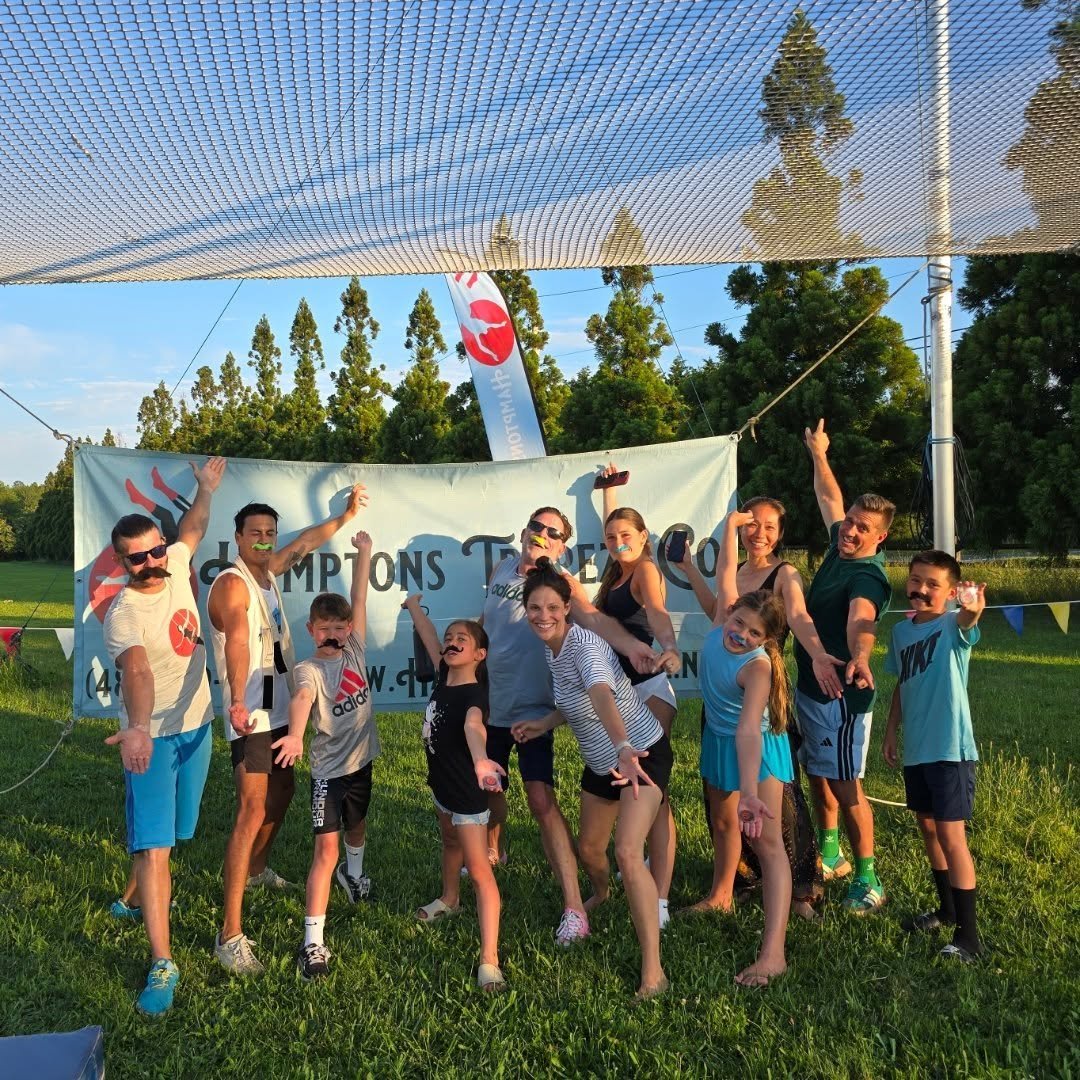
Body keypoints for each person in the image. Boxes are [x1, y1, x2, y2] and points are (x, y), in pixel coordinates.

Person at [479, 504, 660, 947]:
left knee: (541, 802)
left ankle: (574, 908)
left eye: (552, 533)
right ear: (524, 530)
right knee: (486, 790)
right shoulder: (503, 566)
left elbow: (596, 623)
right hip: (491, 707)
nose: (541, 534)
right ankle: (492, 850)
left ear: (561, 546)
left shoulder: (560, 588)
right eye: (536, 527)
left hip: (534, 710)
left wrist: (634, 645)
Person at [208, 484, 367, 974]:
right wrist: (236, 699)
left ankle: (256, 870)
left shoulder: (268, 571)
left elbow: (303, 545)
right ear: (236, 538)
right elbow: (237, 639)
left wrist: (345, 517)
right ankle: (229, 934)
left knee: (283, 793)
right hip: (252, 715)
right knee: (251, 808)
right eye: (254, 533)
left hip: (280, 715)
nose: (263, 540)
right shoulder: (234, 584)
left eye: (269, 534)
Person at [512, 558, 672, 1000]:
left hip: (639, 754)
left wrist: (623, 747)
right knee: (589, 850)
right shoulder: (553, 647)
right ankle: (601, 895)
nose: (543, 616)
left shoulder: (584, 647)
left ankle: (653, 973)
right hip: (602, 762)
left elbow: (601, 696)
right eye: (534, 608)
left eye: (551, 607)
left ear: (567, 608)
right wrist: (544, 725)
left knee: (625, 851)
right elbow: (575, 702)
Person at [102, 456, 226, 1015]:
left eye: (157, 549)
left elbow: (194, 529)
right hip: (150, 741)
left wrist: (204, 489)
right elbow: (139, 672)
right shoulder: (123, 612)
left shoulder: (175, 559)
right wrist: (136, 730)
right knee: (157, 850)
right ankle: (162, 960)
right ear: (122, 562)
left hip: (197, 723)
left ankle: (129, 900)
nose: (153, 562)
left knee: (178, 831)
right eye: (139, 557)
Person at [676, 502, 842, 918]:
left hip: (759, 693)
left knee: (781, 806)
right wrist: (694, 568)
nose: (759, 533)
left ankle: (800, 890)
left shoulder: (783, 573)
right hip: (722, 700)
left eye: (768, 526)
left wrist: (819, 654)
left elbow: (799, 617)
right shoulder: (734, 586)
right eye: (751, 524)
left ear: (780, 531)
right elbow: (718, 607)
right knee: (724, 806)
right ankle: (729, 889)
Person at [270, 531, 380, 980]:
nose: (333, 636)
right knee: (325, 851)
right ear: (311, 631)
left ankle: (354, 876)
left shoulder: (355, 647)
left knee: (358, 826)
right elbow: (299, 700)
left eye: (339, 628)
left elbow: (358, 596)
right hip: (329, 776)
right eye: (324, 630)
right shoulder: (308, 668)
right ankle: (313, 942)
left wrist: (365, 554)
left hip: (363, 763)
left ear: (349, 630)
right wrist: (295, 734)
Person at [797, 419, 894, 914]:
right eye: (852, 520)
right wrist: (820, 454)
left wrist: (860, 656)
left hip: (842, 695)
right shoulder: (840, 543)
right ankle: (830, 853)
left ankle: (867, 878)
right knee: (819, 773)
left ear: (881, 536)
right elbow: (829, 499)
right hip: (812, 687)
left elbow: (862, 619)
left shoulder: (868, 576)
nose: (850, 529)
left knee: (845, 784)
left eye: (862, 527)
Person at [582, 463, 680, 928]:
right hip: (620, 695)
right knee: (640, 791)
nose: (617, 541)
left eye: (626, 534)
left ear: (644, 537)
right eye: (610, 537)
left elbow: (658, 613)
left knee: (654, 795)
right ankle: (636, 875)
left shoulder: (643, 571)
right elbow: (615, 525)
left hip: (650, 688)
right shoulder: (614, 570)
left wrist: (670, 648)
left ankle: (658, 898)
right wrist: (607, 490)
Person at [883, 552, 986, 962]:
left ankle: (969, 938)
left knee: (951, 837)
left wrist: (972, 607)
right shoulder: (900, 632)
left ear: (948, 593)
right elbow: (902, 685)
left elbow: (969, 620)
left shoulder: (951, 626)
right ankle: (945, 910)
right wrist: (891, 730)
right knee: (928, 828)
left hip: (950, 750)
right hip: (918, 750)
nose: (921, 589)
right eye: (915, 579)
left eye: (932, 584)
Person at [403, 594, 509, 992]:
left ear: (480, 653)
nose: (451, 640)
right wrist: (413, 606)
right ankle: (449, 899)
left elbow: (472, 727)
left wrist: (481, 760)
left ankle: (490, 959)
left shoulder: (474, 696)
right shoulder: (442, 676)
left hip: (466, 794)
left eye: (461, 637)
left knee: (480, 871)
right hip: (441, 787)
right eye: (450, 636)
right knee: (449, 841)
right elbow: (429, 635)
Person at [694, 582, 795, 987]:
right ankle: (721, 896)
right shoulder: (721, 624)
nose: (741, 635)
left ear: (767, 640)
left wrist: (750, 792)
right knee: (722, 824)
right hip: (719, 741)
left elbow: (750, 730)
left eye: (754, 634)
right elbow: (722, 574)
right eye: (738, 623)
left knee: (767, 846)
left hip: (755, 750)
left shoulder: (757, 666)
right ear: (729, 611)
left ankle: (774, 954)